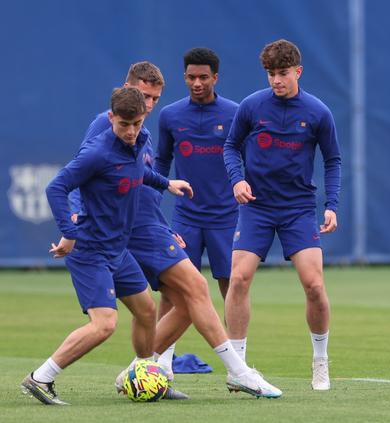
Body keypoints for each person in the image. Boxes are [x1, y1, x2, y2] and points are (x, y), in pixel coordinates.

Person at [74, 62, 281, 399]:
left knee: (184, 301)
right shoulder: (107, 124)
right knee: (196, 287)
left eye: (154, 98)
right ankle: (239, 372)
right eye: (143, 96)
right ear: (125, 91)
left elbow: (141, 183)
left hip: (148, 225)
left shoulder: (142, 132)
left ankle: (143, 372)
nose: (149, 104)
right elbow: (76, 173)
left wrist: (164, 226)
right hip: (131, 229)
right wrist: (74, 216)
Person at [21, 87, 192, 405]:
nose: (130, 131)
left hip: (118, 249)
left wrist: (166, 183)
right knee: (104, 325)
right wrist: (69, 234)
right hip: (89, 250)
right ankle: (40, 377)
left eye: (137, 124)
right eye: (124, 124)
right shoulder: (97, 153)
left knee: (146, 310)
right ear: (111, 118)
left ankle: (143, 373)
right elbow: (56, 187)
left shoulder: (139, 141)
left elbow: (140, 171)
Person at [223, 39, 341, 390]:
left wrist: (331, 204)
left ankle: (320, 361)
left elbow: (333, 159)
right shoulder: (251, 106)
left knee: (314, 284)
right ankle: (238, 367)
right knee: (239, 278)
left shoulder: (318, 112)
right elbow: (231, 147)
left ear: (298, 72)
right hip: (256, 206)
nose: (277, 80)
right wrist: (237, 180)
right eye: (271, 74)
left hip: (298, 209)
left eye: (283, 73)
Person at [155, 47, 239, 364]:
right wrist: (153, 200)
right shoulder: (171, 116)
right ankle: (163, 363)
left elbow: (248, 159)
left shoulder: (235, 113)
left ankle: (239, 360)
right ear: (184, 77)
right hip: (186, 218)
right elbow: (161, 162)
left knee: (231, 286)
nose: (197, 83)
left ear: (215, 77)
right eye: (191, 77)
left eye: (204, 77)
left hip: (226, 217)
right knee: (172, 287)